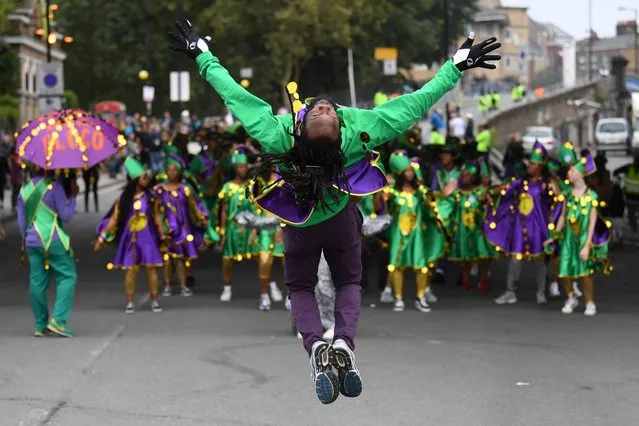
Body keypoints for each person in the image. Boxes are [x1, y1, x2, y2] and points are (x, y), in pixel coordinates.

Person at [169, 19, 500, 404]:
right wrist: (455, 67)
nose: (324, 107)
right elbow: (417, 103)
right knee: (348, 283)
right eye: (325, 111)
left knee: (299, 287)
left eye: (321, 112)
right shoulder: (360, 130)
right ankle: (342, 342)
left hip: (301, 223)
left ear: (303, 125)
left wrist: (203, 56)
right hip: (342, 221)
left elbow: (236, 97)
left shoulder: (280, 132)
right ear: (335, 125)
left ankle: (315, 347)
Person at [486, 141, 559, 305]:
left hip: (539, 228)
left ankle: (541, 293)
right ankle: (510, 291)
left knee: (540, 260)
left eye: (533, 164)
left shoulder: (548, 184)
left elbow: (560, 202)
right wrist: (490, 192)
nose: (529, 166)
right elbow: (505, 188)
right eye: (529, 163)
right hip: (520, 227)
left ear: (540, 166)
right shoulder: (521, 182)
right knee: (515, 258)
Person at [545, 150, 612, 316]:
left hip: (583, 238)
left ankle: (590, 302)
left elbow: (592, 222)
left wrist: (587, 245)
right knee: (564, 271)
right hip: (568, 239)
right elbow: (562, 216)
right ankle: (570, 297)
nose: (569, 173)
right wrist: (554, 235)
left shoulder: (592, 196)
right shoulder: (567, 195)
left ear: (580, 175)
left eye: (572, 171)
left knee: (585, 273)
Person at [95, 157, 165, 314]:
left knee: (151, 269)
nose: (147, 180)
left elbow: (156, 216)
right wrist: (102, 237)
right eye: (144, 177)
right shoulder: (123, 199)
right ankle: (130, 302)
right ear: (134, 180)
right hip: (130, 239)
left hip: (148, 238)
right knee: (130, 270)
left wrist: (162, 234)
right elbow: (114, 218)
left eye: (147, 177)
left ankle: (155, 301)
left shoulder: (151, 197)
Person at [382, 151, 450, 312]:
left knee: (421, 265)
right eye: (407, 170)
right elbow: (380, 208)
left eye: (412, 170)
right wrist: (381, 191)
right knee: (396, 265)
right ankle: (398, 299)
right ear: (400, 173)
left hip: (417, 234)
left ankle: (421, 298)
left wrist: (443, 196)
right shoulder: (392, 191)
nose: (410, 173)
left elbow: (433, 204)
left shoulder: (421, 192)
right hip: (399, 234)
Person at [18, 167, 79, 337]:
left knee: (37, 282)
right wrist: (73, 196)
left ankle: (40, 324)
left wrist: (29, 239)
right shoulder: (55, 187)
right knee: (68, 276)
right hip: (53, 239)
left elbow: (22, 221)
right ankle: (58, 321)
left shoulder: (24, 189)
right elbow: (66, 216)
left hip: (32, 241)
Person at [155, 154, 209, 297]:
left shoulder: (185, 189)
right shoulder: (159, 189)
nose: (172, 173)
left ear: (179, 171)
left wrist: (202, 217)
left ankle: (183, 285)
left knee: (180, 259)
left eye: (175, 170)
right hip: (166, 229)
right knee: (167, 259)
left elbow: (195, 205)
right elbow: (152, 209)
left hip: (183, 229)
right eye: (170, 170)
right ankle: (167, 286)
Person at [217, 149, 258, 303]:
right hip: (232, 228)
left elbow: (256, 208)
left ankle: (269, 286)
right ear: (235, 169)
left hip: (249, 226)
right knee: (227, 259)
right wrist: (222, 232)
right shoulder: (227, 187)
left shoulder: (251, 185)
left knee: (261, 256)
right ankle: (227, 288)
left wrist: (256, 228)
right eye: (240, 167)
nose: (243, 170)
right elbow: (224, 211)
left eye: (245, 167)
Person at [612, 149, 639, 236]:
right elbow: (615, 172)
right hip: (630, 199)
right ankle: (636, 233)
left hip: (631, 198)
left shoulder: (628, 167)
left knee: (632, 218)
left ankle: (636, 233)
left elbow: (615, 172)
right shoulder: (628, 168)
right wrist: (618, 180)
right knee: (632, 218)